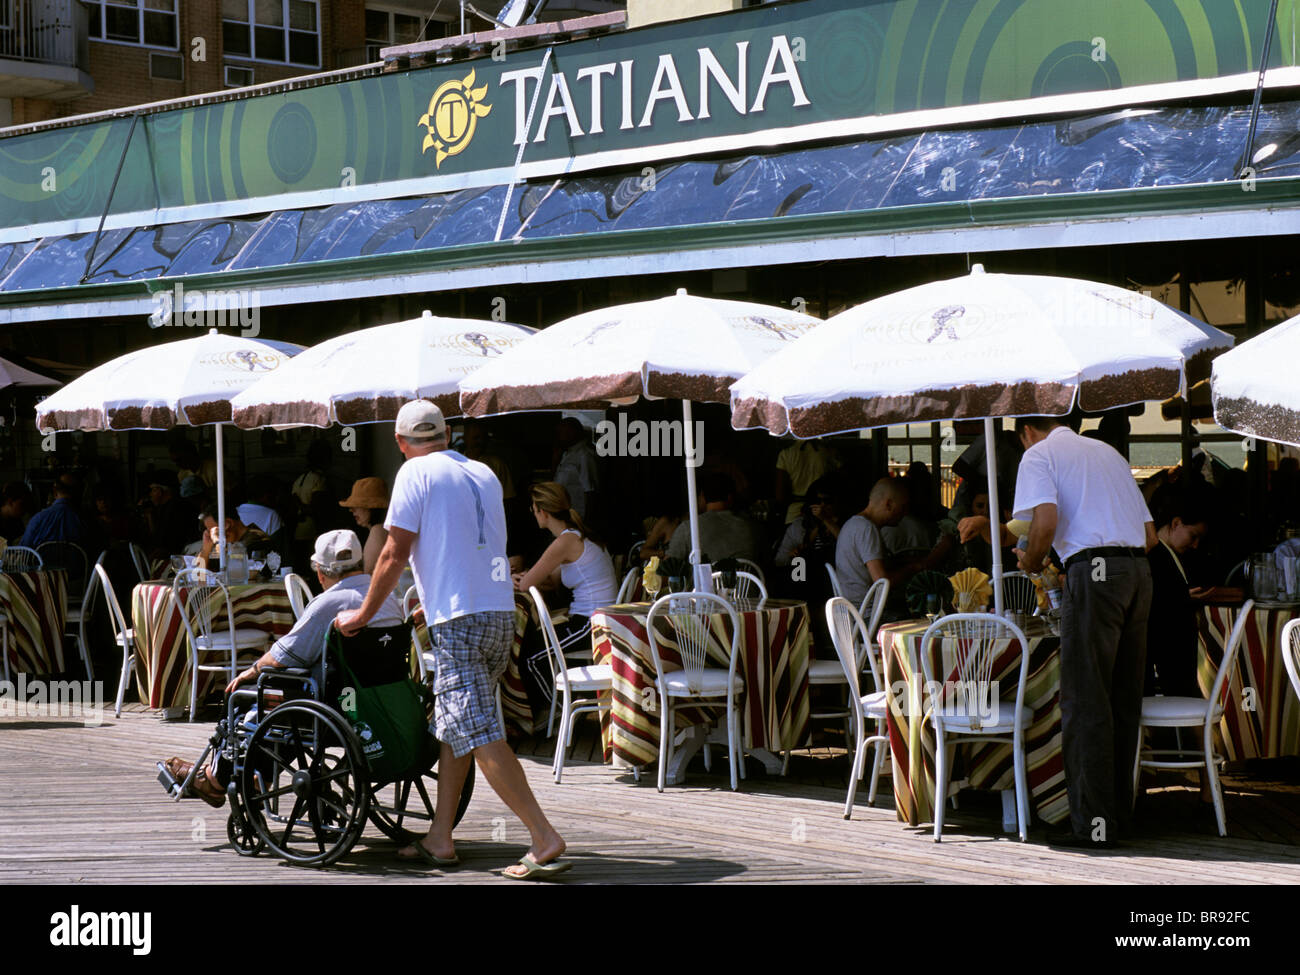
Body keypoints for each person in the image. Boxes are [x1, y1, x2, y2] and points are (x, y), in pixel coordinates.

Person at [337, 400, 570, 880]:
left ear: (401, 443)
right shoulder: (482, 472)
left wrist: (363, 613)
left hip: (459, 620)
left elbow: (393, 553)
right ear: (446, 434)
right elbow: (467, 544)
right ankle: (440, 837)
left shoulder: (413, 474)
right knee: (458, 723)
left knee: (480, 730)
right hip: (500, 611)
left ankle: (543, 836)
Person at [161, 530, 402, 806]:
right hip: (372, 703)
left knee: (244, 694)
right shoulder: (388, 600)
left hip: (334, 704)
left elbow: (283, 656)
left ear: (320, 574)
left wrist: (249, 671)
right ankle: (256, 774)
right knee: (287, 701)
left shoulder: (329, 603)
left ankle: (215, 779)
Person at [1012, 415, 1155, 849]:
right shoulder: (1107, 452)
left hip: (1095, 571)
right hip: (1139, 570)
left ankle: (1094, 826)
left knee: (1086, 698)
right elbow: (1149, 536)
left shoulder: (1039, 454)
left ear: (1026, 431)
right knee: (1123, 698)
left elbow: (1045, 522)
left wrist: (1033, 562)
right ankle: (1118, 819)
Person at [514, 481, 617, 650]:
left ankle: (556, 678)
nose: (533, 514)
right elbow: (551, 581)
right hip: (597, 617)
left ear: (543, 512)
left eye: (533, 510)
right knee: (533, 643)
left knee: (529, 651)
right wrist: (527, 577)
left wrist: (515, 579)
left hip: (593, 623)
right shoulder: (575, 535)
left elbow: (525, 585)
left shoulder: (564, 542)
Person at [1145, 489, 1212, 698]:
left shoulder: (1166, 553)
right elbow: (1155, 603)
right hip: (1167, 660)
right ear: (1176, 523)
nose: (1195, 545)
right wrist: (1182, 598)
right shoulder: (1156, 554)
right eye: (1193, 536)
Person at [833, 477, 908, 608]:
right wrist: (912, 568)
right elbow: (882, 582)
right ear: (889, 504)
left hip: (851, 611)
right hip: (866, 614)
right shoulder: (867, 529)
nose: (904, 513)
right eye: (903, 507)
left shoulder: (853, 523)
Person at [665, 472, 762, 564]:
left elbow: (666, 571)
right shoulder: (752, 527)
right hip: (747, 581)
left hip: (705, 582)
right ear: (730, 498)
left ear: (702, 497)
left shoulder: (689, 528)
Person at [774, 439, 842, 525]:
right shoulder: (829, 452)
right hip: (822, 512)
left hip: (795, 513)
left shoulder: (786, 453)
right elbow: (841, 483)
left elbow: (780, 495)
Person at [553, 417, 601, 522]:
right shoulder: (566, 453)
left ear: (571, 433)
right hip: (564, 514)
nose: (559, 437)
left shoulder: (584, 455)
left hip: (578, 517)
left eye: (561, 433)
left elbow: (590, 491)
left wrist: (588, 522)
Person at [20, 474, 87, 548]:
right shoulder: (86, 520)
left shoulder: (38, 519)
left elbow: (23, 550)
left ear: (55, 492)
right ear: (80, 494)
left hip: (42, 559)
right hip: (77, 559)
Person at [339, 477, 390, 574]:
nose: (352, 510)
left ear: (372, 508)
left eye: (357, 506)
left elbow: (368, 573)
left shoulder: (378, 530)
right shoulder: (383, 529)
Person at [197, 506, 272, 567]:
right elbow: (198, 575)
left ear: (227, 524)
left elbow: (233, 569)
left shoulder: (257, 539)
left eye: (213, 530)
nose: (211, 535)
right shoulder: (224, 544)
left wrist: (218, 542)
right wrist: (206, 548)